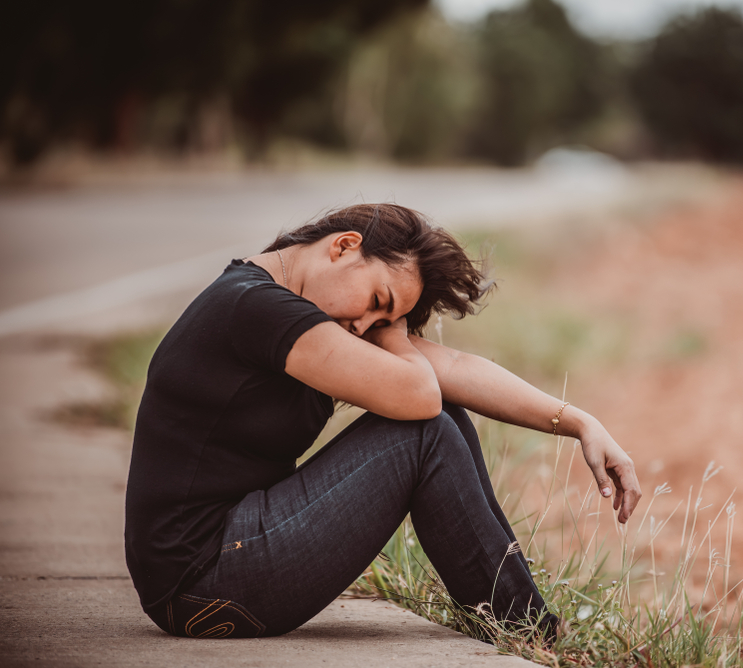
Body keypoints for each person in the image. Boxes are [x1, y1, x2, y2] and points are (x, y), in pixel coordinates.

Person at [124, 203, 641, 641]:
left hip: (221, 559)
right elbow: (420, 394)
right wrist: (393, 335)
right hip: (199, 583)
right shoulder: (255, 307)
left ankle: (525, 622)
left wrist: (579, 423)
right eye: (377, 304)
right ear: (344, 246)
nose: (366, 327)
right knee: (426, 430)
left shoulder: (296, 309)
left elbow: (455, 371)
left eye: (381, 320)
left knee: (443, 416)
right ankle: (529, 631)